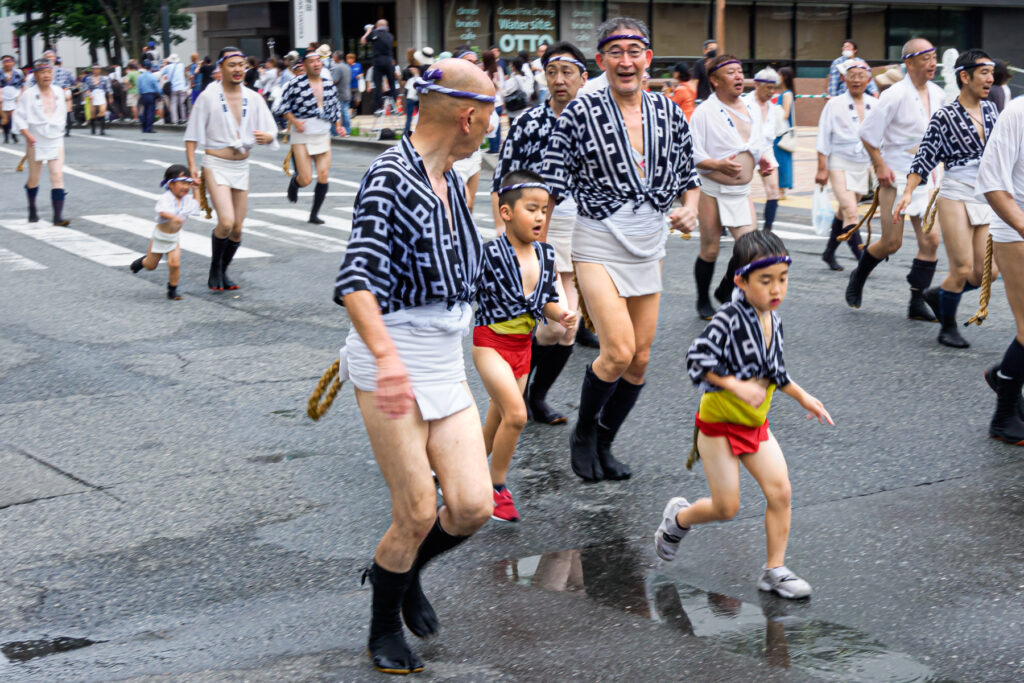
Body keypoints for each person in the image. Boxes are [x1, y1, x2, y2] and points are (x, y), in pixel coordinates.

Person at [332, 58, 496, 675]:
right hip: (392, 361)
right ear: (467, 115)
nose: (490, 125)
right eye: (490, 113)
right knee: (417, 512)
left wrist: (541, 306)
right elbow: (355, 282)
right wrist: (385, 359)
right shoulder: (389, 178)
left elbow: (465, 271)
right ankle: (382, 625)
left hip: (442, 359)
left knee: (473, 506)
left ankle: (403, 572)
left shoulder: (451, 179)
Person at [540, 18, 700, 482]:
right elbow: (551, 183)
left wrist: (689, 208)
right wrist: (539, 253)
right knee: (618, 350)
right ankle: (584, 431)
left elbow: (688, 175)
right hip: (596, 237)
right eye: (616, 52)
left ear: (648, 58)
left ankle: (606, 440)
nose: (626, 61)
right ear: (601, 61)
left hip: (649, 238)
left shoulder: (669, 112)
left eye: (635, 51)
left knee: (641, 356)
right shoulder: (581, 113)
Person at [654, 231, 833, 600]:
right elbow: (697, 359)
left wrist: (803, 396)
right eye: (765, 281)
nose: (775, 289)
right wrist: (735, 385)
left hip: (754, 424)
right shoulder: (728, 318)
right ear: (741, 280)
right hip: (718, 425)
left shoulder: (773, 320)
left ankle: (775, 570)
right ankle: (679, 520)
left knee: (780, 492)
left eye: (782, 279)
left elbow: (775, 370)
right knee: (726, 507)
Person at [492, 41, 595, 425]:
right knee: (550, 325)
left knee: (565, 329)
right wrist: (509, 238)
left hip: (582, 229)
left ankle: (536, 397)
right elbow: (503, 180)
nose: (559, 80)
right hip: (535, 228)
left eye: (567, 72)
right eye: (551, 72)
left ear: (584, 78)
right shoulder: (528, 123)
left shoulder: (597, 124)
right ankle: (515, 391)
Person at [475, 171, 577, 522]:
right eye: (531, 209)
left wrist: (560, 314)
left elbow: (545, 299)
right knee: (516, 415)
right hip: (489, 341)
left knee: (497, 419)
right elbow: (464, 290)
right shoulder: (488, 254)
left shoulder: (546, 255)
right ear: (506, 212)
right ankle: (496, 487)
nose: (540, 217)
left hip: (522, 347)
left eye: (544, 210)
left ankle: (457, 471)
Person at [894, 50, 999, 348]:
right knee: (963, 268)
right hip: (956, 194)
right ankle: (947, 328)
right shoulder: (945, 116)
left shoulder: (992, 110)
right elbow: (925, 156)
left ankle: (938, 294)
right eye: (983, 73)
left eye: (991, 73)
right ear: (964, 77)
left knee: (987, 272)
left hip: (985, 195)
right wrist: (908, 192)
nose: (990, 78)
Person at [848, 38, 945, 320]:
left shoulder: (938, 93)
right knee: (892, 242)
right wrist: (879, 165)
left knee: (931, 241)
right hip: (897, 174)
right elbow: (867, 134)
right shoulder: (894, 94)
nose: (932, 63)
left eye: (934, 57)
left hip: (927, 175)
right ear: (909, 62)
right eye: (926, 58)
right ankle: (859, 275)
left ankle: (916, 301)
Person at [184, 47, 279, 291]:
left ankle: (224, 270)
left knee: (237, 228)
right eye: (232, 65)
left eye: (241, 65)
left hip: (242, 165)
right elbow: (192, 133)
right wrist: (193, 166)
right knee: (225, 222)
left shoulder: (253, 98)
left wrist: (267, 137)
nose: (238, 69)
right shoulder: (208, 97)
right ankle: (214, 268)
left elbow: (271, 129)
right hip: (216, 164)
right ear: (221, 68)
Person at [690, 54, 775, 319]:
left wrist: (762, 160)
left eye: (740, 71)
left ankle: (725, 288)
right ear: (714, 80)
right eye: (730, 72)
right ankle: (703, 299)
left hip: (740, 191)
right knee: (710, 249)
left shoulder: (750, 106)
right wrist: (717, 165)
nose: (738, 76)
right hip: (712, 189)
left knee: (750, 249)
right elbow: (691, 153)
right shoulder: (704, 111)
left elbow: (758, 142)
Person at [977, 97, 1024, 443]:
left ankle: (1006, 374)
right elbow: (992, 181)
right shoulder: (1018, 113)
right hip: (1016, 230)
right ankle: (1003, 417)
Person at [815, 57, 872, 270]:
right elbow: (823, 137)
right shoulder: (834, 104)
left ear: (868, 79)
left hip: (862, 163)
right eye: (852, 76)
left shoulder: (874, 104)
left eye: (860, 76)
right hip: (838, 161)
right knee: (851, 211)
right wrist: (821, 168)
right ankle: (863, 258)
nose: (856, 80)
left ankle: (829, 253)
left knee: (843, 211)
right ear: (844, 79)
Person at [277, 47, 345, 225]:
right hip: (302, 133)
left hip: (322, 133)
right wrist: (294, 120)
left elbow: (335, 108)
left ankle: (314, 214)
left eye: (318, 61)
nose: (316, 64)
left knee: (323, 175)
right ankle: (295, 182)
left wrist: (339, 126)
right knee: (306, 178)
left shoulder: (328, 84)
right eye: (311, 62)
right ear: (304, 65)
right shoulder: (294, 84)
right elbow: (282, 107)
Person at [129, 164, 201, 300]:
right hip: (160, 236)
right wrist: (174, 216)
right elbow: (162, 211)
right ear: (171, 184)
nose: (186, 187)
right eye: (182, 183)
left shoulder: (187, 200)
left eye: (188, 183)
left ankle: (172, 290)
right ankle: (142, 262)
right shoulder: (166, 198)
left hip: (173, 237)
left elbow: (197, 206)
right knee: (151, 266)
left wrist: (197, 189)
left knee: (175, 263)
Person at [15, 59, 71, 226]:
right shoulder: (28, 94)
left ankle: (57, 217)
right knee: (34, 178)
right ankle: (32, 209)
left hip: (55, 137)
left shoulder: (58, 91)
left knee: (57, 175)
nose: (46, 75)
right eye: (42, 73)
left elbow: (63, 112)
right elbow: (19, 118)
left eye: (49, 72)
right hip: (36, 138)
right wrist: (27, 135)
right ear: (36, 75)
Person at [744, 68, 782, 231]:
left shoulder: (772, 108)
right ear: (757, 85)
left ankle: (768, 228)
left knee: (773, 190)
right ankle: (726, 222)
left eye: (774, 88)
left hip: (766, 150)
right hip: (745, 150)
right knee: (738, 189)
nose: (772, 92)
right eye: (768, 88)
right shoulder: (744, 104)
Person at [362, 20, 397, 113]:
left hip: (378, 61)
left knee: (378, 85)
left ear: (377, 26)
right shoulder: (390, 36)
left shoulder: (374, 33)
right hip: (389, 61)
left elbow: (363, 41)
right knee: (392, 84)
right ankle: (394, 106)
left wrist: (368, 31)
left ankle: (379, 107)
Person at [773, 67, 796, 200]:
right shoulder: (784, 93)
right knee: (780, 161)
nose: (777, 78)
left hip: (782, 132)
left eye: (779, 75)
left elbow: (785, 114)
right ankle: (780, 189)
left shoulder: (787, 94)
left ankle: (782, 190)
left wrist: (774, 110)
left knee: (782, 161)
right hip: (780, 132)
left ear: (784, 77)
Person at [482, 50, 505, 153]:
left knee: (490, 124)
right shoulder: (498, 69)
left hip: (490, 102)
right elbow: (503, 85)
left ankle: (493, 148)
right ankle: (495, 148)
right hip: (499, 101)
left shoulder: (484, 72)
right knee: (497, 125)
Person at [1, 55, 24, 143]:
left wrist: (21, 96)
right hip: (3, 96)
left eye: (10, 61)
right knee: (5, 118)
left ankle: (14, 135)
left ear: (13, 63)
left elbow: (22, 85)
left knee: (14, 116)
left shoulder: (18, 73)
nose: (8, 64)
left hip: (15, 96)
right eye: (5, 62)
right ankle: (6, 135)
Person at [84, 65, 111, 135]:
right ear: (92, 70)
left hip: (101, 94)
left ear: (100, 70)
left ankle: (102, 130)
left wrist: (110, 96)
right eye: (94, 69)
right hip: (93, 95)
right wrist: (89, 94)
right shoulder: (88, 79)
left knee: (102, 112)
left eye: (97, 69)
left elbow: (108, 88)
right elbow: (86, 88)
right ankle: (93, 129)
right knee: (92, 114)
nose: (96, 70)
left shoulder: (104, 78)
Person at [162, 54, 189, 124]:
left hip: (174, 88)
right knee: (182, 104)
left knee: (173, 104)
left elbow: (161, 73)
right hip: (182, 88)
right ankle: (183, 119)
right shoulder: (181, 65)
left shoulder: (167, 67)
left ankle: (175, 120)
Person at [330, 50, 352, 134]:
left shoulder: (337, 67)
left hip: (339, 94)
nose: (332, 58)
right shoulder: (347, 67)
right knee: (345, 112)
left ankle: (335, 132)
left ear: (336, 57)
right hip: (347, 92)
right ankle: (347, 131)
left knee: (338, 113)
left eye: (333, 56)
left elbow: (334, 81)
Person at [137, 64, 161, 133]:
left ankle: (144, 127)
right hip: (151, 95)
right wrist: (160, 95)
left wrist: (140, 95)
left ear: (144, 68)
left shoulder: (140, 76)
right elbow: (157, 88)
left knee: (144, 111)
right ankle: (149, 128)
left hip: (143, 95)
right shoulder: (152, 76)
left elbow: (139, 87)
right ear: (151, 68)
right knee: (151, 112)